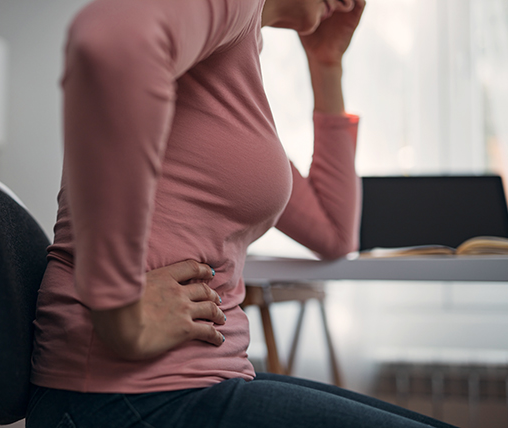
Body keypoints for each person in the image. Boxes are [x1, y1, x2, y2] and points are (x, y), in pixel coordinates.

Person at [27, 0, 458, 427]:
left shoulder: (234, 62)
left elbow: (334, 234)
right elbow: (111, 42)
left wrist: (327, 66)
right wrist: (120, 312)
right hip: (123, 396)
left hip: (194, 382)